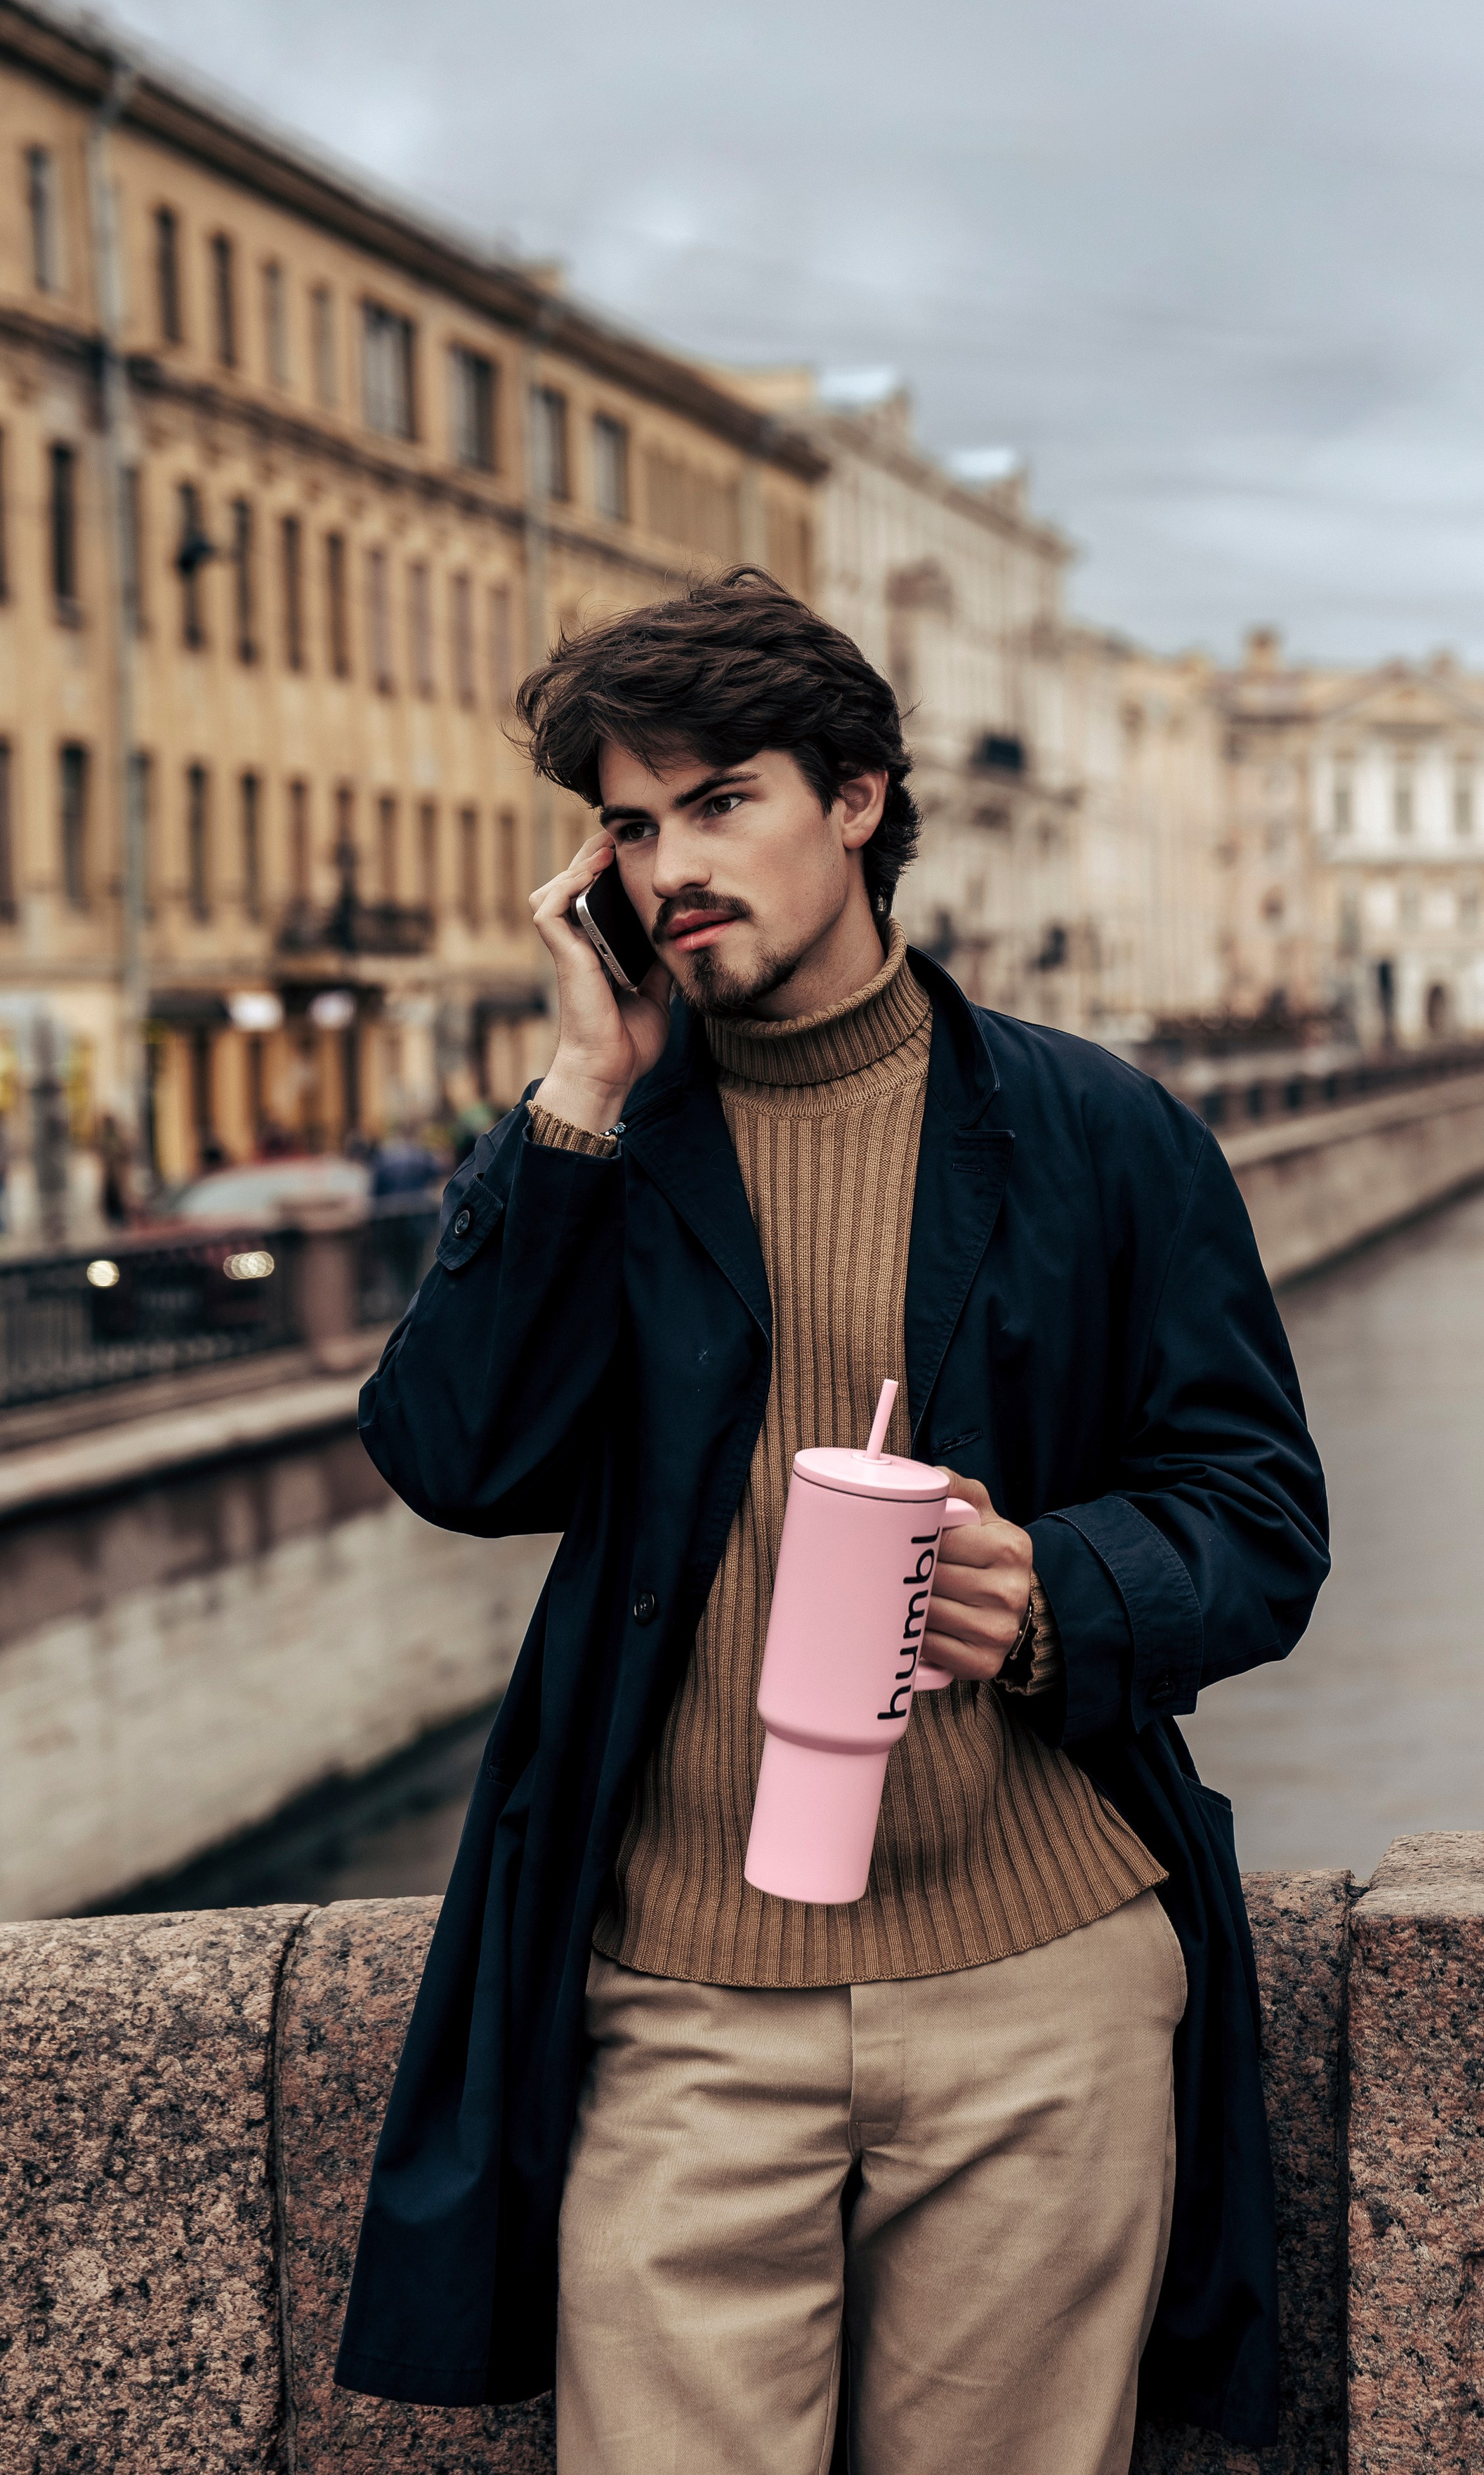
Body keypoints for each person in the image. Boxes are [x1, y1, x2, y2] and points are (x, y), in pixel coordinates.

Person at [335, 567, 1329, 2473]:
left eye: (722, 802)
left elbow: (1261, 1514)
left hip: (1036, 1989)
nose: (672, 867)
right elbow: (455, 1460)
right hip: (683, 2003)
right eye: (633, 825)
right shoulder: (604, 1146)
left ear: (857, 799)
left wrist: (1057, 1590)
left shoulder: (1098, 1132)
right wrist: (577, 1093)